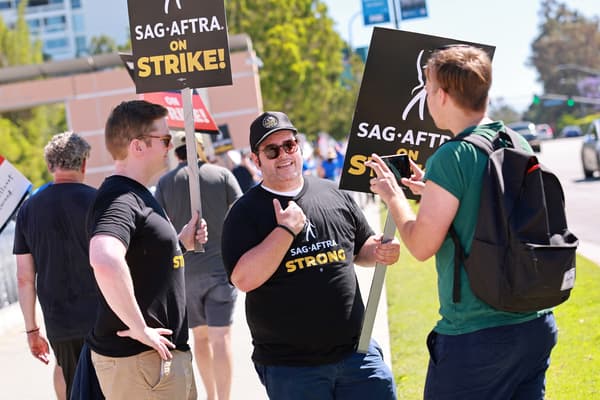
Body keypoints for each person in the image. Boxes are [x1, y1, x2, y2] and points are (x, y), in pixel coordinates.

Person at [367, 45, 558, 399]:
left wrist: (393, 196)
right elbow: (486, 205)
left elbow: (422, 246)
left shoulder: (452, 156)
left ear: (442, 95)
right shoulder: (515, 141)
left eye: (426, 87)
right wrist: (433, 191)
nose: (425, 95)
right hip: (534, 322)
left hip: (476, 335)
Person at [221, 111, 401, 400]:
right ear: (256, 159)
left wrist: (379, 249)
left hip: (358, 355)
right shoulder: (244, 213)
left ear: (299, 147)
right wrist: (285, 231)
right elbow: (243, 279)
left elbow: (361, 247)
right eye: (272, 150)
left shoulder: (333, 194)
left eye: (289, 145)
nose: (283, 155)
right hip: (292, 369)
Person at [87, 100, 208, 399]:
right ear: (138, 146)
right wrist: (139, 327)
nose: (170, 146)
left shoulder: (135, 194)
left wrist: (180, 244)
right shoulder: (121, 197)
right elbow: (103, 258)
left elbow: (140, 259)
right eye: (164, 139)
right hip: (142, 364)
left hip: (154, 363)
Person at [155, 131, 242, 400]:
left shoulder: (165, 182)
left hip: (186, 275)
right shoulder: (222, 175)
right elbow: (242, 213)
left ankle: (211, 396)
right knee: (221, 338)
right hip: (220, 269)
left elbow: (158, 225)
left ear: (176, 152)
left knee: (200, 340)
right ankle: (225, 398)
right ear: (201, 149)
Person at [13, 131, 99, 400]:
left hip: (58, 319)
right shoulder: (99, 201)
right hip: (103, 314)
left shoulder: (28, 210)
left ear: (50, 166)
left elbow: (24, 278)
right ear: (84, 164)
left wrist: (32, 330)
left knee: (66, 371)